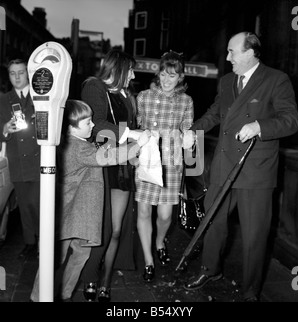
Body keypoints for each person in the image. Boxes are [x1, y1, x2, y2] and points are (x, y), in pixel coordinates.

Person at [183, 32, 298, 301]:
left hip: (255, 170)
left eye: (231, 52)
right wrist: (193, 130)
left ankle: (250, 291)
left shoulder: (276, 79)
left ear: (250, 53)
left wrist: (260, 126)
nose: (227, 57)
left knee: (254, 235)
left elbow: (291, 120)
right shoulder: (226, 82)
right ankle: (210, 269)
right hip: (224, 166)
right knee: (213, 222)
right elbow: (215, 113)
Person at [30, 99, 150, 302]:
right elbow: (105, 157)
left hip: (80, 213)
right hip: (71, 213)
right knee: (56, 259)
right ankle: (39, 297)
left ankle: (63, 294)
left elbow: (99, 154)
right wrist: (138, 145)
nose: (93, 125)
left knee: (79, 256)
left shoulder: (77, 142)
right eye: (88, 122)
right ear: (70, 127)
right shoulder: (76, 147)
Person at [80, 49, 142, 302]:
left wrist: (137, 149)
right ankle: (89, 277)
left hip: (123, 167)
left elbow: (133, 129)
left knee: (117, 228)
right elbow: (95, 124)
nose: (134, 75)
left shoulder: (129, 96)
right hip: (101, 166)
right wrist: (132, 136)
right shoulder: (94, 86)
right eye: (130, 70)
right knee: (98, 227)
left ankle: (105, 281)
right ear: (119, 69)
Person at [135, 50, 194, 282]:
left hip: (171, 163)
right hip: (147, 161)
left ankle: (160, 241)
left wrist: (188, 137)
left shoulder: (186, 101)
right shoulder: (143, 97)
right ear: (158, 73)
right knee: (143, 211)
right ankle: (149, 260)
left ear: (180, 77)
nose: (167, 80)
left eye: (173, 76)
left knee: (165, 215)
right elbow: (136, 126)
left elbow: (187, 129)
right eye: (163, 74)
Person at [0, 59, 40, 258]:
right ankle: (30, 242)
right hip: (17, 160)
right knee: (24, 204)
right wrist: (5, 130)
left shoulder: (40, 97)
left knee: (38, 203)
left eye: (21, 72)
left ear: (28, 74)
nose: (16, 77)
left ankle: (43, 241)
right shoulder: (3, 100)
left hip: (39, 157)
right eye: (12, 73)